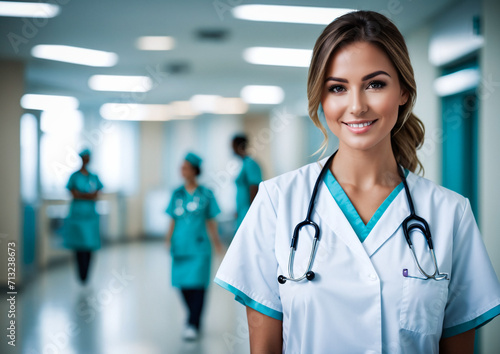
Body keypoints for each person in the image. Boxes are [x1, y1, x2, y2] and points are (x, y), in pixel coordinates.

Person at [215, 10, 500, 354]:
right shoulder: (277, 202)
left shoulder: (450, 213)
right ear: (321, 98)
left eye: (375, 84)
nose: (356, 106)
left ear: (404, 91)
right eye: (338, 88)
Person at [165, 152, 223, 340]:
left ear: (194, 171)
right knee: (183, 285)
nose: (182, 171)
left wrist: (217, 243)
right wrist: (168, 239)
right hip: (180, 245)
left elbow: (211, 221)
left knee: (198, 285)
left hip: (199, 247)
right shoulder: (177, 193)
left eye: (185, 167)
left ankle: (193, 323)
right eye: (181, 167)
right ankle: (192, 317)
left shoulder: (206, 193)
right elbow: (172, 219)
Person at [64, 148, 103, 284]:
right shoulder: (74, 176)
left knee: (90, 246)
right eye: (84, 157)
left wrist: (82, 195)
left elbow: (97, 194)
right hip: (77, 217)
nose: (86, 160)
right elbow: (73, 193)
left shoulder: (94, 177)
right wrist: (88, 196)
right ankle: (81, 275)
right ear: (81, 159)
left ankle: (86, 275)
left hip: (90, 217)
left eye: (88, 158)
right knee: (79, 247)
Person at [232, 135, 262, 229]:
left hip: (248, 210)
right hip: (242, 211)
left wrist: (252, 211)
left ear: (238, 146)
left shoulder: (250, 164)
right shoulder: (244, 163)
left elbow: (254, 187)